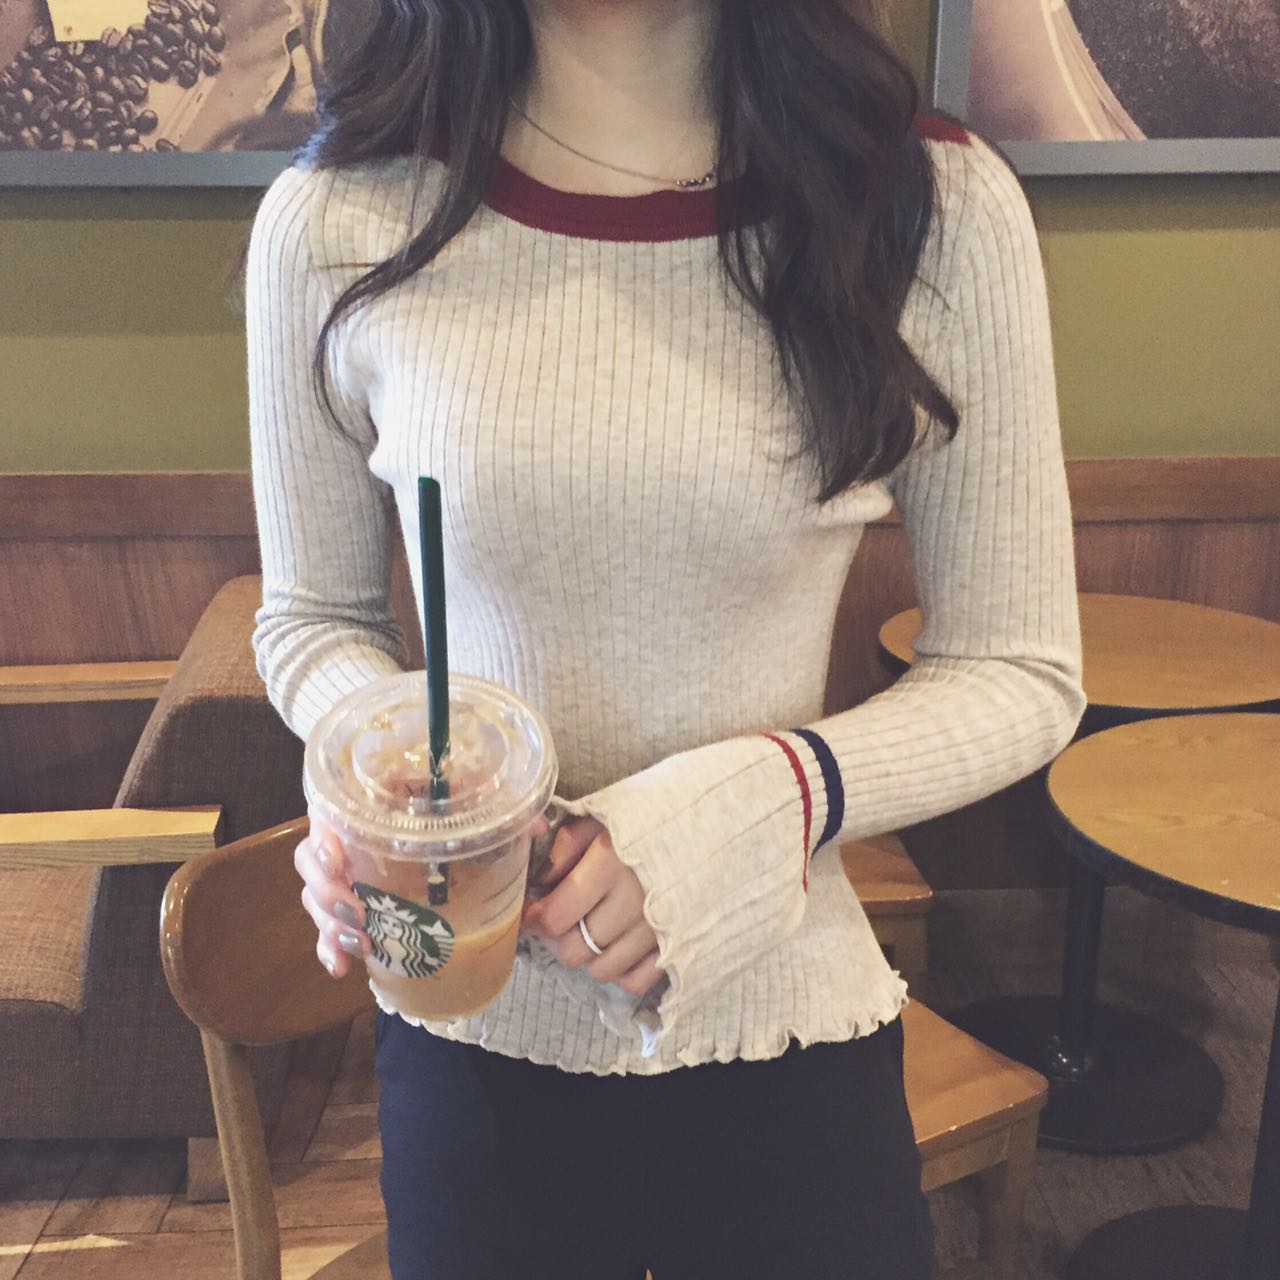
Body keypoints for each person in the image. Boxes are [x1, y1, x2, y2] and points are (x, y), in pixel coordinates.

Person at [247, 2, 1086, 1277]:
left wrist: (761, 799)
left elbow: (1018, 666)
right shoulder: (333, 218)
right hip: (474, 1041)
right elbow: (314, 621)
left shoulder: (931, 206)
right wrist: (387, 786)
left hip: (787, 1030)